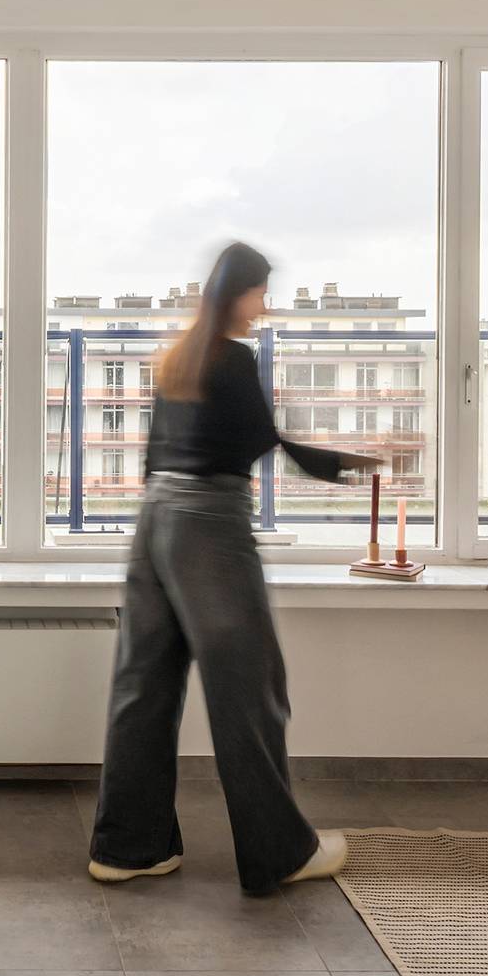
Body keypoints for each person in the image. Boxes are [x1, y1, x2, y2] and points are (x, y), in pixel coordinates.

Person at [87, 241, 382, 896]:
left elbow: (162, 453)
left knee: (144, 685)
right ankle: (280, 853)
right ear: (238, 292)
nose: (264, 304)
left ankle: (127, 848)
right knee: (251, 686)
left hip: (156, 518)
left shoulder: (178, 356)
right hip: (210, 525)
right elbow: (261, 439)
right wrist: (347, 464)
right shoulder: (234, 357)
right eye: (260, 291)